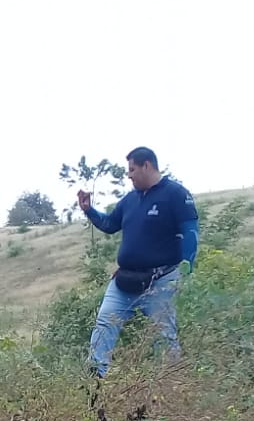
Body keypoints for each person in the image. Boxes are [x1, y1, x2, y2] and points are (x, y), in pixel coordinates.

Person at [76, 147, 199, 377]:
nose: (129, 175)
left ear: (147, 166)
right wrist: (89, 210)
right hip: (124, 281)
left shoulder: (176, 194)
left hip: (161, 281)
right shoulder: (129, 200)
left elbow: (190, 232)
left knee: (163, 336)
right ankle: (93, 384)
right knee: (104, 325)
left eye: (132, 169)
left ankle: (171, 386)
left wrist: (185, 271)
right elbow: (109, 224)